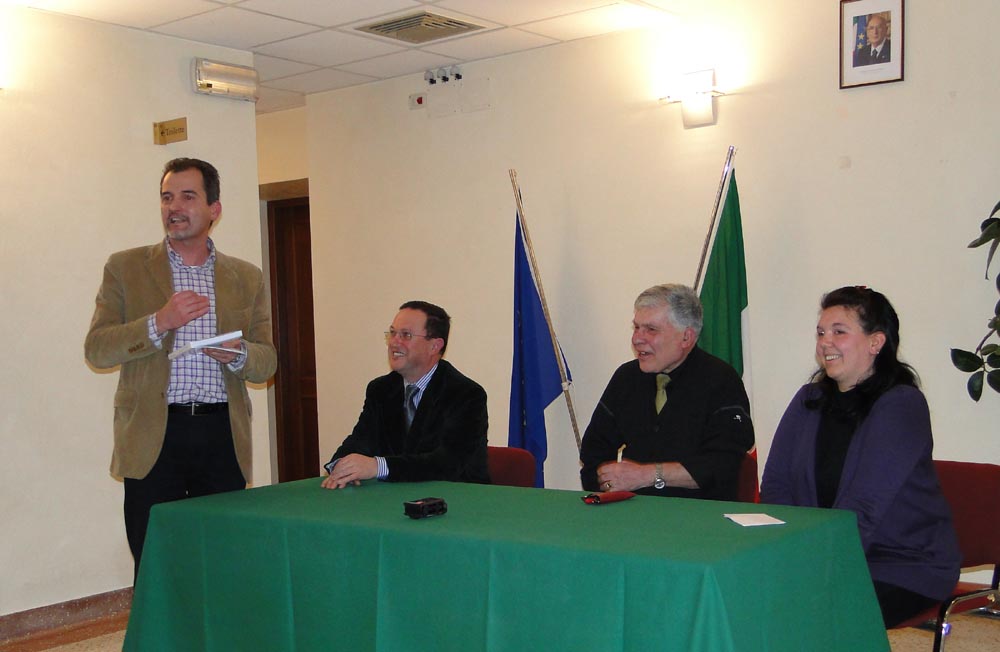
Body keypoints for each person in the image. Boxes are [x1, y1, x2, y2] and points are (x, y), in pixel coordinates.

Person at [84, 158, 277, 577]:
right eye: (167, 197)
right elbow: (97, 349)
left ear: (214, 209)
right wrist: (159, 322)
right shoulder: (125, 268)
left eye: (188, 196)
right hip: (154, 435)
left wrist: (239, 354)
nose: (174, 206)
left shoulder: (246, 277)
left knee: (221, 561)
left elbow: (266, 361)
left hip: (221, 435)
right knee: (157, 562)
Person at [760, 286, 960, 628]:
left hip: (900, 565)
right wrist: (786, 553)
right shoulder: (809, 400)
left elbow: (864, 508)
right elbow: (776, 486)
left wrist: (811, 566)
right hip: (822, 553)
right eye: (821, 333)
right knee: (744, 593)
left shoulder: (901, 405)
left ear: (875, 342)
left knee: (803, 614)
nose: (825, 342)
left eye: (839, 332)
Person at [579, 284, 754, 500]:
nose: (637, 339)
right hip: (631, 510)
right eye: (636, 328)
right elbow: (593, 453)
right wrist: (609, 483)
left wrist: (648, 475)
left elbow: (721, 465)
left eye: (651, 330)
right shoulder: (627, 378)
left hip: (700, 513)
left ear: (686, 338)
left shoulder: (721, 381)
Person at [321, 301, 489, 488]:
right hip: (391, 499)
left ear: (434, 346)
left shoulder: (466, 395)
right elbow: (361, 440)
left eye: (406, 335)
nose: (394, 342)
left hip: (454, 499)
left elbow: (447, 463)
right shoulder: (381, 389)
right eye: (392, 333)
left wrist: (378, 466)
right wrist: (341, 464)